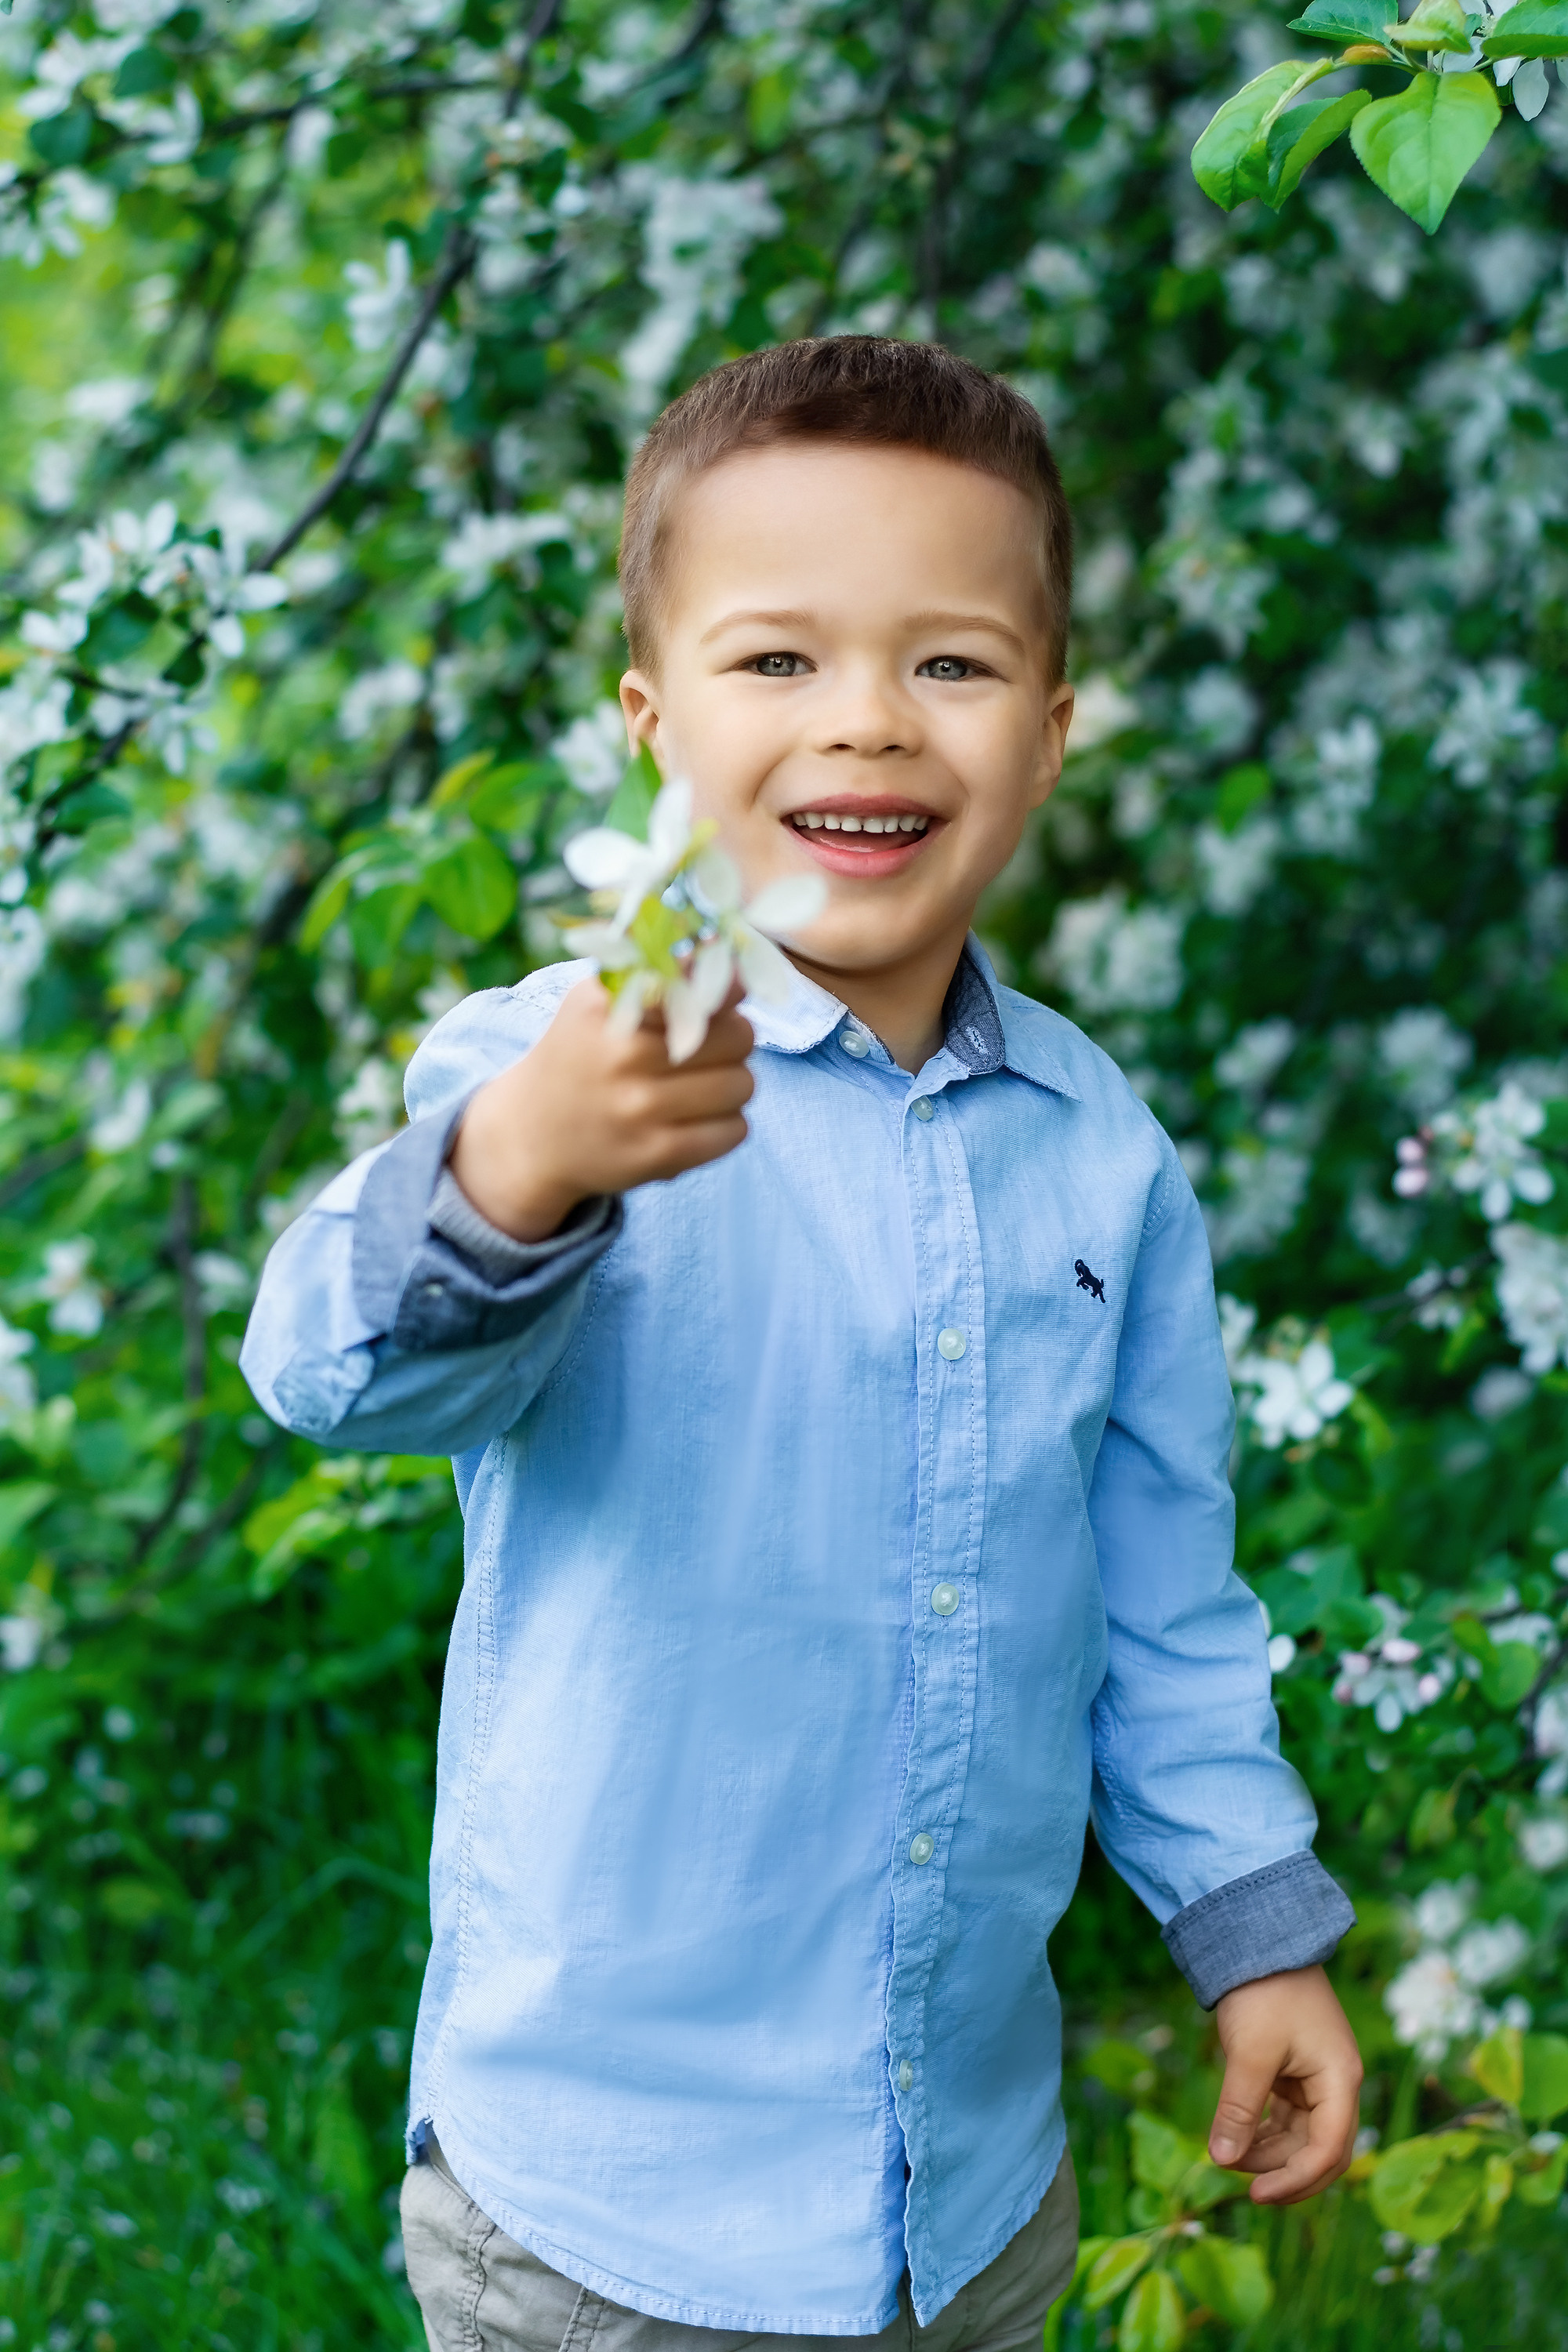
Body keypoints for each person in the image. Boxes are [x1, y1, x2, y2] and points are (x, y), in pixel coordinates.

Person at [241, 336, 1363, 2352]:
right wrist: (521, 1171)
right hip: (609, 2212)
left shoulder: (1099, 1153)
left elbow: (1159, 1600)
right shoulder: (573, 1066)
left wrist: (1250, 1929)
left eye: (950, 663)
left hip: (966, 2194)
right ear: (652, 725)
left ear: (1049, 733)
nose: (866, 720)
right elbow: (333, 1369)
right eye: (776, 659)